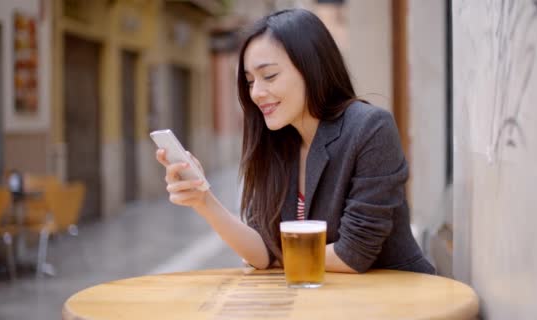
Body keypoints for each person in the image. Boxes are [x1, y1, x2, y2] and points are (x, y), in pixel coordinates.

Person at [156, 8, 435, 274]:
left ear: (312, 68)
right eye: (250, 81)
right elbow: (262, 251)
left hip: (396, 300)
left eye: (269, 76)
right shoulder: (277, 141)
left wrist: (276, 258)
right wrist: (203, 199)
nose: (257, 93)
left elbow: (354, 253)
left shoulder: (370, 128)